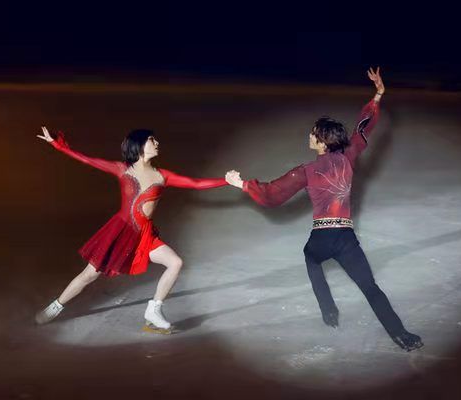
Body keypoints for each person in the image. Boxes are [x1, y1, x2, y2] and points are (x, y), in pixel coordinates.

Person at [225, 68, 424, 351]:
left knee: (310, 257)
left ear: (322, 141)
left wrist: (241, 183)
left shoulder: (305, 171)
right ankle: (402, 336)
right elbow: (363, 128)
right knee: (370, 288)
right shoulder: (349, 156)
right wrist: (378, 95)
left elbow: (272, 194)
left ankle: (328, 309)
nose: (310, 136)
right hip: (346, 238)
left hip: (321, 237)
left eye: (313, 134)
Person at [35, 127, 228, 333]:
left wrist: (226, 181)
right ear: (139, 145)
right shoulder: (122, 169)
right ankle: (56, 306)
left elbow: (196, 183)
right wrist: (58, 145)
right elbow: (87, 160)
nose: (157, 143)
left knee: (175, 262)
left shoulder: (162, 175)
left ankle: (154, 310)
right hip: (120, 232)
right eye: (152, 140)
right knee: (89, 275)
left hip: (144, 235)